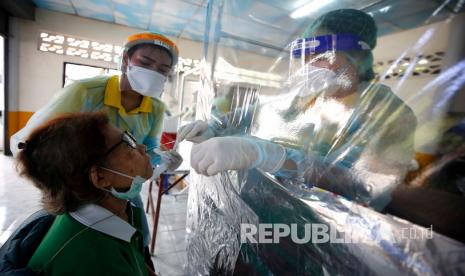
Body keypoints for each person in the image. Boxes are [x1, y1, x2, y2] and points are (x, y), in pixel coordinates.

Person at [177, 9, 417, 211]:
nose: (310, 65)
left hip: (326, 232)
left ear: (357, 56)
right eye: (305, 56)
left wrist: (269, 155)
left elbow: (366, 186)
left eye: (321, 55)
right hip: (264, 213)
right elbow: (248, 114)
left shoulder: (390, 114)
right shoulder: (303, 100)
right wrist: (211, 128)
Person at [10, 32, 183, 246]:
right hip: (79, 188)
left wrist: (161, 161)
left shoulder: (155, 109)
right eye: (145, 62)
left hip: (119, 186)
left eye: (163, 70)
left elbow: (148, 151)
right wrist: (63, 188)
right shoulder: (84, 93)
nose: (153, 73)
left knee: (139, 238)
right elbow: (33, 145)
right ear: (126, 59)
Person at [15, 112, 156, 275]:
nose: (142, 147)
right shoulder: (97, 262)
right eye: (128, 148)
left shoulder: (116, 211)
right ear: (100, 177)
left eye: (130, 138)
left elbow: (136, 263)